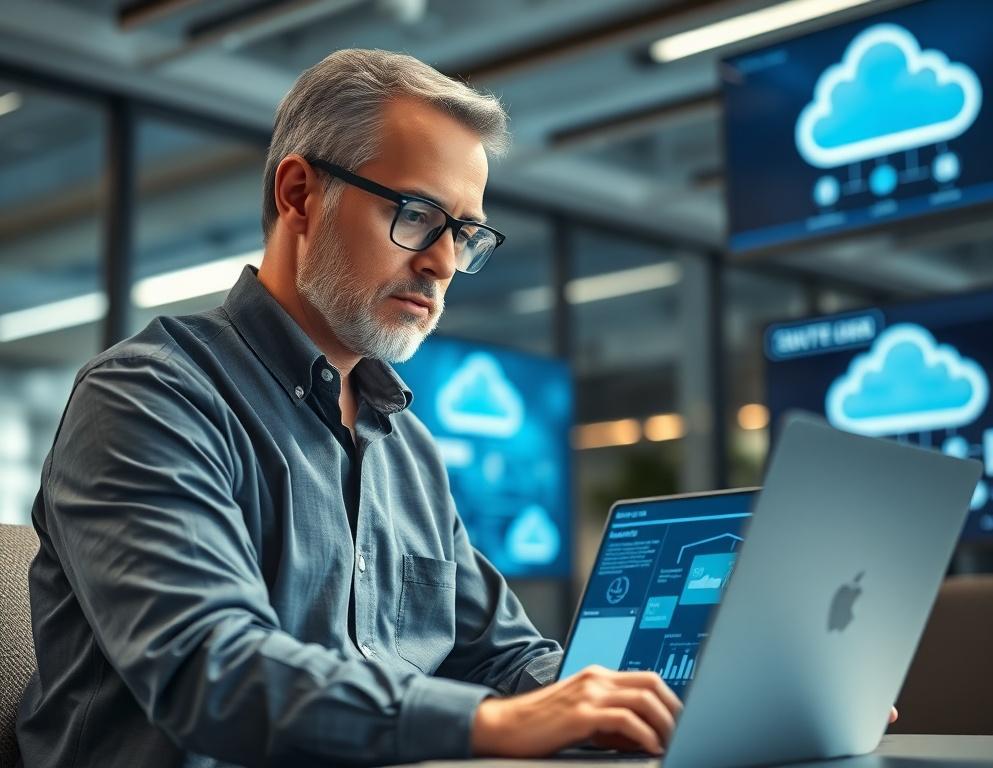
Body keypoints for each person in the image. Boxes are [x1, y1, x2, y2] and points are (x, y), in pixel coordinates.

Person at [16, 49, 681, 768]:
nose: (443, 263)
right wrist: (489, 724)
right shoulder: (148, 397)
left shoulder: (406, 447)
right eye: (416, 214)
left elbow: (502, 658)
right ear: (300, 194)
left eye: (463, 233)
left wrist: (633, 702)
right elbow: (211, 671)